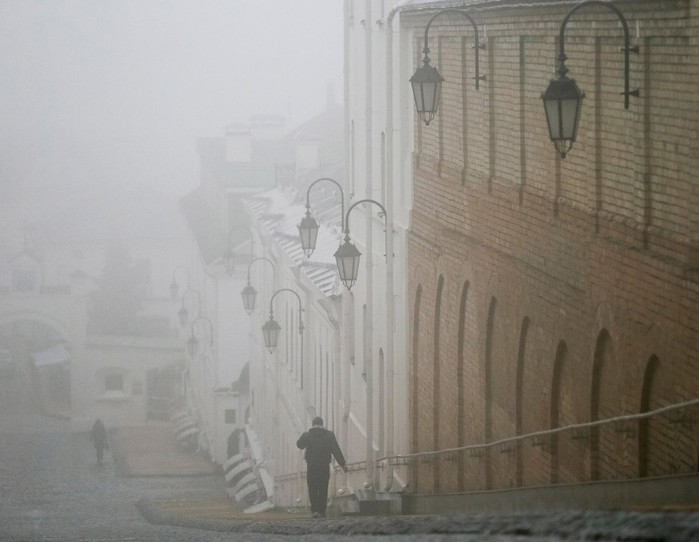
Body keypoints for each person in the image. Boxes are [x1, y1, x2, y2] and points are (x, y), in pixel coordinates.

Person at [296, 416, 348, 518]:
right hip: (324, 466)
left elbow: (299, 445)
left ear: (313, 424)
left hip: (311, 466)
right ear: (322, 424)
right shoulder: (329, 435)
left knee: (313, 488)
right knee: (323, 487)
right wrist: (343, 464)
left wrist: (304, 436)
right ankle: (322, 511)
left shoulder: (308, 435)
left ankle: (315, 510)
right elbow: (336, 450)